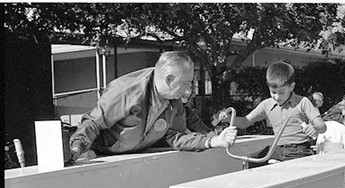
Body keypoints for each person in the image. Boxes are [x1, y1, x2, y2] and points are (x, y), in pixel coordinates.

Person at [69, 51, 237, 161]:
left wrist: (213, 141)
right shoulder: (125, 92)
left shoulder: (174, 100)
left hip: (135, 157)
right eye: (186, 83)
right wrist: (77, 147)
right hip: (102, 157)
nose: (188, 90)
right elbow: (93, 123)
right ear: (169, 79)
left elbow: (176, 137)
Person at [222, 61, 326, 162]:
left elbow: (322, 126)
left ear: (292, 87)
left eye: (282, 92)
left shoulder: (302, 102)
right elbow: (245, 121)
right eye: (273, 92)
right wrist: (227, 119)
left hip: (299, 149)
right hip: (278, 149)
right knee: (252, 163)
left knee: (282, 164)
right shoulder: (267, 104)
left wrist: (314, 128)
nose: (277, 97)